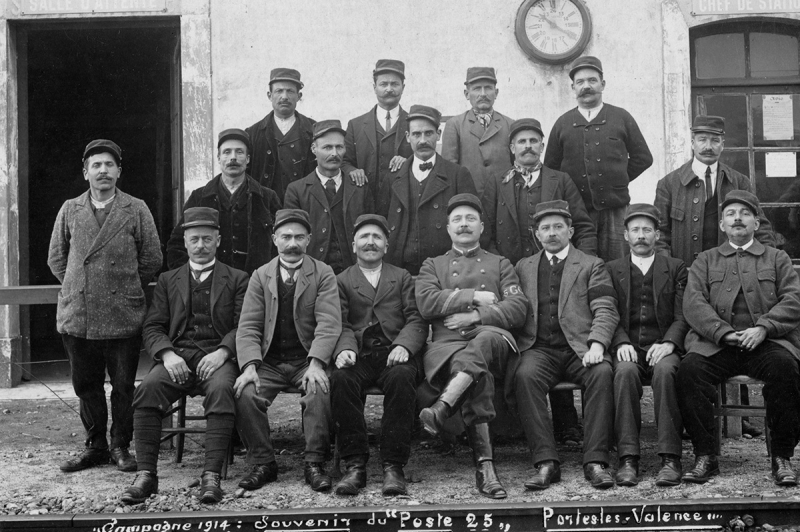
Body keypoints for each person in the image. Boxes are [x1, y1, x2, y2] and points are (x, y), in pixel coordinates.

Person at [655, 115, 775, 438]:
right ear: (692, 141)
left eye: (715, 140)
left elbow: (759, 226)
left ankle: (740, 419)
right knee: (695, 344)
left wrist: (768, 258)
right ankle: (692, 415)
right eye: (702, 139)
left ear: (723, 144)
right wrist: (672, 271)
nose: (708, 146)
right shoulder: (669, 184)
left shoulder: (739, 182)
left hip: (730, 274)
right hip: (687, 278)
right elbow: (662, 234)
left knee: (739, 322)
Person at [47, 139, 162, 473]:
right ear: (86, 173)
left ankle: (120, 446)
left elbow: (152, 257)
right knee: (86, 384)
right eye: (96, 165)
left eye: (109, 165)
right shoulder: (70, 209)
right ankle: (95, 445)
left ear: (119, 172)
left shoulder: (136, 208)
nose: (103, 171)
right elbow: (57, 258)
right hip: (79, 315)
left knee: (124, 385)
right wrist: (80, 286)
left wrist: (122, 287)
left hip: (123, 314)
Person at [122, 207, 249, 504]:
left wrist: (223, 353)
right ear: (186, 242)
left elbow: (245, 325)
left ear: (218, 240)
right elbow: (153, 325)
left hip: (217, 357)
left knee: (221, 390)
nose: (201, 245)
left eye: (207, 238)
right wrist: (167, 354)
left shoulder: (238, 278)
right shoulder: (169, 279)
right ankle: (146, 475)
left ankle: (211, 476)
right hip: (178, 355)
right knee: (147, 390)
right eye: (195, 239)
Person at [482, 117, 596, 444]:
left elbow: (584, 226)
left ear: (542, 145)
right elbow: (488, 232)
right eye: (521, 142)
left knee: (557, 332)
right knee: (524, 343)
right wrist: (500, 272)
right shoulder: (497, 182)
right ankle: (518, 424)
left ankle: (566, 423)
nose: (528, 146)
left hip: (560, 272)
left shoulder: (560, 180)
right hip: (514, 277)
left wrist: (582, 263)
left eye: (534, 140)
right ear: (511, 148)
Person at [677, 190, 800, 487]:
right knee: (690, 371)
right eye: (731, 214)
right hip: (718, 344)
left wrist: (764, 328)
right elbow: (694, 303)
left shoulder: (777, 258)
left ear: (756, 224)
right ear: (722, 225)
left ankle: (782, 456)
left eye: (745, 214)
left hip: (766, 343)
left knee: (788, 370)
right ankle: (705, 456)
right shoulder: (705, 260)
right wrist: (724, 333)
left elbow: (794, 299)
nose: (738, 219)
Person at [415, 194, 528, 499]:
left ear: (481, 226)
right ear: (448, 228)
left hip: (493, 340)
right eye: (457, 220)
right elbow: (426, 302)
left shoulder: (499, 263)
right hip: (447, 347)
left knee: (485, 339)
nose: (463, 225)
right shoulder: (433, 265)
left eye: (470, 219)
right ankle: (486, 468)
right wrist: (474, 297)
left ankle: (442, 407)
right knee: (480, 376)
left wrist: (479, 315)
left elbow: (518, 308)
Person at [513, 200, 619, 490]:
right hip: (540, 349)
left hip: (580, 348)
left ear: (570, 231)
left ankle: (595, 461)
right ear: (536, 234)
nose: (551, 233)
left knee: (601, 373)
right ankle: (546, 461)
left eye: (558, 227)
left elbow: (605, 308)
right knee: (524, 376)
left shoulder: (591, 265)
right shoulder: (523, 267)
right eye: (545, 228)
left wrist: (597, 344)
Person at [234, 209, 341, 492]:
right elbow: (248, 326)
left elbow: (329, 323)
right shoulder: (260, 275)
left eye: (298, 237)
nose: (292, 243)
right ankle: (263, 463)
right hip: (269, 361)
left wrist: (317, 363)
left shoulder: (323, 273)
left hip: (306, 359)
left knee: (319, 389)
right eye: (286, 237)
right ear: (274, 240)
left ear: (309, 240)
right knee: (245, 392)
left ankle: (315, 463)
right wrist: (250, 367)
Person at [330, 214, 427, 496]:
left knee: (401, 378)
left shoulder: (402, 277)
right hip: (359, 354)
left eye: (377, 238)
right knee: (341, 379)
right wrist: (345, 348)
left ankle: (393, 466)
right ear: (353, 245)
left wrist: (404, 346)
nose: (370, 243)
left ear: (386, 246)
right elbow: (340, 323)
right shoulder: (341, 280)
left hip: (393, 353)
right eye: (364, 237)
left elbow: (416, 319)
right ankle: (355, 465)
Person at [606, 204, 688, 487]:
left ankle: (670, 458)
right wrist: (619, 341)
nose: (641, 236)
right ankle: (628, 458)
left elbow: (683, 314)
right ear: (626, 236)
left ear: (657, 235)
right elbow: (607, 312)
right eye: (635, 230)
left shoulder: (675, 267)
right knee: (625, 373)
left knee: (666, 372)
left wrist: (669, 343)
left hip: (663, 347)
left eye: (647, 230)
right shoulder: (611, 269)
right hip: (627, 346)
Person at [543, 56, 653, 261]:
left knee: (618, 263)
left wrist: (617, 179)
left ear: (602, 84)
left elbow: (643, 158)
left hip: (615, 211)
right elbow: (551, 169)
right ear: (573, 87)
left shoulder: (621, 117)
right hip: (577, 213)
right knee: (580, 266)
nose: (586, 86)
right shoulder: (563, 123)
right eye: (580, 82)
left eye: (592, 81)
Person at [167, 128, 282, 275]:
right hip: (212, 289)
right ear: (219, 158)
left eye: (239, 152)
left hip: (256, 287)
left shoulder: (267, 198)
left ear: (247, 159)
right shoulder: (199, 197)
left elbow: (281, 244)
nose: (233, 158)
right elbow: (177, 245)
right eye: (227, 152)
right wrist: (192, 281)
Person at [381, 105, 477, 275]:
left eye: (429, 133)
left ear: (438, 135)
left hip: (445, 270)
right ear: (408, 137)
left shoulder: (457, 175)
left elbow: (473, 226)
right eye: (417, 134)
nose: (423, 140)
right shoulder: (393, 178)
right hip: (401, 270)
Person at [284, 120, 375, 274]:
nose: (334, 153)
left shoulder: (359, 187)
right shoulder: (297, 190)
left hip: (355, 273)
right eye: (327, 147)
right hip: (314, 274)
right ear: (314, 149)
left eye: (339, 147)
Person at [342, 59, 412, 212]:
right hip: (365, 203)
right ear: (374, 87)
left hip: (403, 204)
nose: (389, 89)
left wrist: (408, 161)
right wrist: (352, 171)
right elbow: (344, 162)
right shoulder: (356, 125)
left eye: (395, 84)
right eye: (383, 84)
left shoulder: (413, 124)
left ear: (403, 87)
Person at [441, 67, 514, 197]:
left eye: (488, 88)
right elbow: (449, 170)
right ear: (466, 94)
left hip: (503, 199)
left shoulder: (510, 124)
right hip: (469, 198)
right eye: (477, 88)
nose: (483, 94)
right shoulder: (455, 125)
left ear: (496, 93)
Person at [246, 68, 316, 199]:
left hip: (304, 205)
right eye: (279, 91)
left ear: (299, 96)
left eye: (290, 91)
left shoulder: (314, 130)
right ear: (269, 95)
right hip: (266, 206)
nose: (284, 97)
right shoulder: (252, 133)